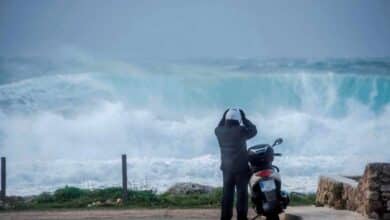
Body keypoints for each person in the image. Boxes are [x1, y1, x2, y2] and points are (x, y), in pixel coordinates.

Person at [215, 108, 257, 220]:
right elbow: (253, 130)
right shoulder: (241, 130)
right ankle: (242, 218)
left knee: (227, 195)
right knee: (241, 195)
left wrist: (224, 115)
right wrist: (244, 118)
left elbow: (219, 125)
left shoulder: (219, 131)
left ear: (226, 119)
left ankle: (225, 217)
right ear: (238, 120)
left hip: (227, 169)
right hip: (241, 169)